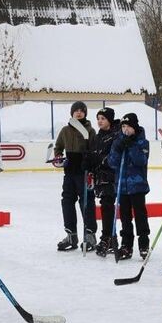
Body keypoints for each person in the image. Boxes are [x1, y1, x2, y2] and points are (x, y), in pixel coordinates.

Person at [53, 101, 98, 251]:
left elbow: (94, 150)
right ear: (72, 113)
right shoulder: (65, 130)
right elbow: (58, 147)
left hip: (84, 172)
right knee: (67, 201)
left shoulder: (90, 131)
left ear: (85, 113)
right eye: (76, 111)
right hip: (70, 172)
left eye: (81, 111)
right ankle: (71, 235)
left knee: (87, 202)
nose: (79, 113)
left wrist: (89, 160)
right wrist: (58, 157)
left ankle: (90, 235)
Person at [108, 113, 150, 260]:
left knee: (140, 215)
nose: (125, 130)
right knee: (125, 217)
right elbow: (112, 163)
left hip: (137, 186)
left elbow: (141, 161)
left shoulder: (142, 142)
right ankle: (126, 244)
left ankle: (144, 244)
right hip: (122, 187)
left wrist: (131, 145)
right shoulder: (118, 141)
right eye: (123, 127)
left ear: (135, 127)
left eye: (129, 127)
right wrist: (119, 148)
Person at [91, 107, 119, 257]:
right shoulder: (98, 136)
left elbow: (113, 158)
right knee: (105, 206)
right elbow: (94, 153)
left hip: (112, 177)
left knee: (108, 206)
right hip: (100, 177)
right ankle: (107, 237)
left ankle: (107, 238)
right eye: (98, 118)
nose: (100, 121)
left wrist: (100, 160)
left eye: (103, 118)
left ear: (110, 120)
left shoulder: (115, 135)